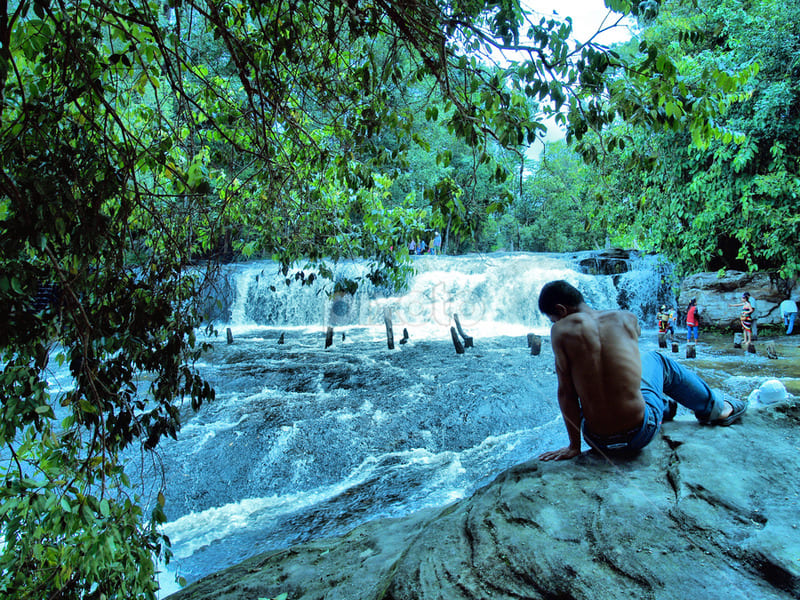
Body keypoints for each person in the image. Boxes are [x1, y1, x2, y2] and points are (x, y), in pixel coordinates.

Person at [536, 280, 747, 461]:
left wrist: (574, 447)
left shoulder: (560, 330)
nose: (554, 323)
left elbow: (566, 393)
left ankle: (665, 407)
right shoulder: (626, 318)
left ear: (561, 310)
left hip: (597, 440)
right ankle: (716, 409)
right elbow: (626, 355)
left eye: (552, 319)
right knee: (655, 360)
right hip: (641, 433)